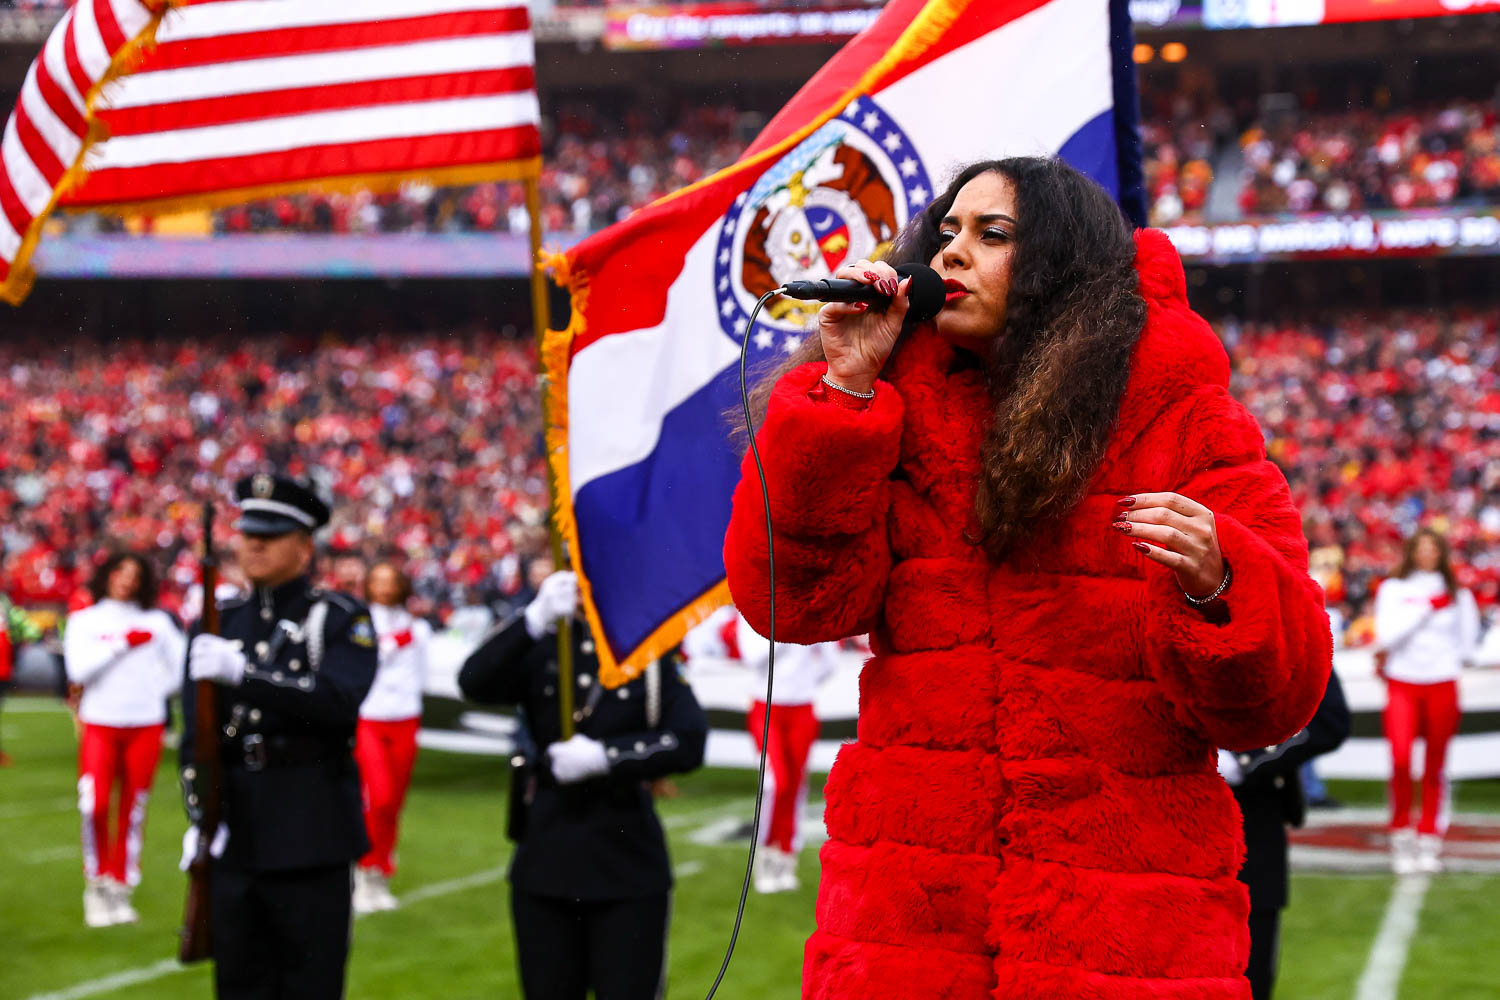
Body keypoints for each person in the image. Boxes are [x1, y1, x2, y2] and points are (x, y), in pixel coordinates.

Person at [723, 157, 1332, 998]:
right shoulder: (891, 400)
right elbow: (794, 602)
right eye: (946, 234)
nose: (952, 255)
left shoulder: (1185, 419)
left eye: (991, 235)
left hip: (1122, 933)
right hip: (910, 922)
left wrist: (1223, 585)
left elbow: (1279, 698)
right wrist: (845, 392)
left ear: (1063, 264)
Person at [458, 569, 708, 1000]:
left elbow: (689, 741)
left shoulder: (647, 651)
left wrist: (606, 757)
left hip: (627, 863)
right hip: (547, 861)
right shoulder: (543, 643)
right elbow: (474, 682)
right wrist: (532, 619)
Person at [180, 473, 378, 1000]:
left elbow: (338, 703)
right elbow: (194, 735)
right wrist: (199, 816)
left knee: (309, 986)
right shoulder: (219, 620)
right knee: (240, 986)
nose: (255, 543)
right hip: (236, 832)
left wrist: (244, 676)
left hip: (310, 830)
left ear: (305, 547)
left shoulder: (338, 617)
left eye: (272, 533)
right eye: (248, 532)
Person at [62, 552, 185, 927]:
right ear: (107, 575)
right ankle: (96, 883)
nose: (127, 580)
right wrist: (120, 644)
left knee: (133, 809)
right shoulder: (85, 621)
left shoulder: (159, 623)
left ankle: (121, 886)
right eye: (120, 571)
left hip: (145, 724)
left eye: (135, 574)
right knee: (95, 804)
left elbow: (180, 669)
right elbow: (77, 669)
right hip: (100, 722)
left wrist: (152, 692)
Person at [1219, 671, 1350, 1000]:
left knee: (1247, 979)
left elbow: (1328, 718)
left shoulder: (1286, 622)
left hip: (1250, 825)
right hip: (1154, 825)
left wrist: (1245, 761)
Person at [1373, 527, 1480, 874]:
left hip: (1442, 681)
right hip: (1403, 681)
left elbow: (1467, 644)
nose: (1427, 554)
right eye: (1421, 548)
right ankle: (1401, 833)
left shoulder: (1458, 593)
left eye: (1433, 548)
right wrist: (1425, 610)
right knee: (1401, 759)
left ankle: (1429, 836)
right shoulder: (1393, 589)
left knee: (1435, 765)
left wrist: (1449, 657)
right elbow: (1387, 636)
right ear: (1411, 552)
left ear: (1441, 553)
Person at [732, 611, 839, 894]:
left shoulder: (811, 615)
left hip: (802, 709)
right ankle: (766, 855)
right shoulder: (754, 613)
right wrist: (786, 628)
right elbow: (752, 657)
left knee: (795, 786)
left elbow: (830, 662)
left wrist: (805, 684)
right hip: (766, 709)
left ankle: (787, 856)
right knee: (773, 783)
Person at [353, 560, 431, 914]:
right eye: (378, 580)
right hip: (370, 716)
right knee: (378, 796)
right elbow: (367, 660)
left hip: (405, 718)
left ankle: (380, 870)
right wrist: (391, 643)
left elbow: (422, 674)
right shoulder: (359, 622)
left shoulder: (419, 628)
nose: (384, 587)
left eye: (391, 580)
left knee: (394, 801)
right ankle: (363, 866)